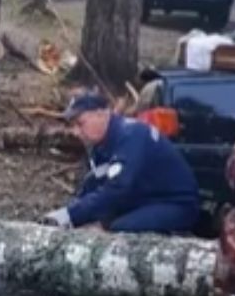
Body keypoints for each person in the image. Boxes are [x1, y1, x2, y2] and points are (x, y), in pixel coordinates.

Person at [41, 93, 199, 235]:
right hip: (143, 200)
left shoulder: (131, 135)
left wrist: (71, 215)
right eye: (73, 125)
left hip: (175, 204)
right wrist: (70, 216)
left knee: (120, 229)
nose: (76, 132)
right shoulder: (99, 146)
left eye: (80, 123)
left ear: (101, 114)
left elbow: (117, 189)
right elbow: (93, 187)